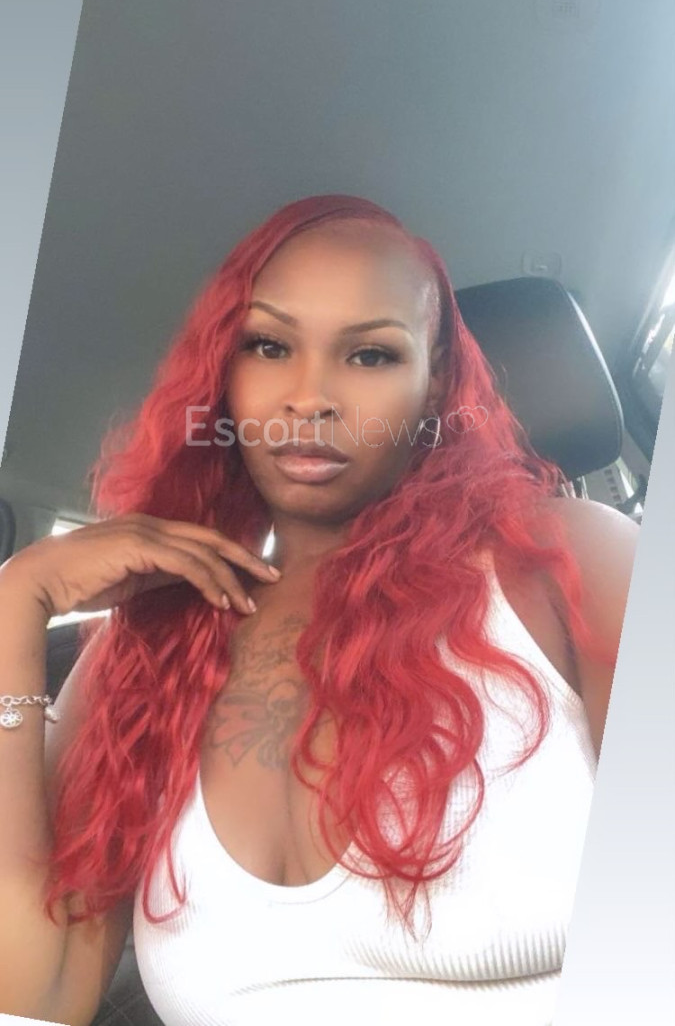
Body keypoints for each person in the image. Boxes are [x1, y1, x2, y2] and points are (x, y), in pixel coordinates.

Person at [0, 195, 638, 1026]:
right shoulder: (143, 655)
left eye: (370, 354)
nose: (309, 397)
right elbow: (38, 995)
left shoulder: (568, 562)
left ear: (434, 386)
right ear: (222, 375)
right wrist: (16, 601)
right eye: (268, 345)